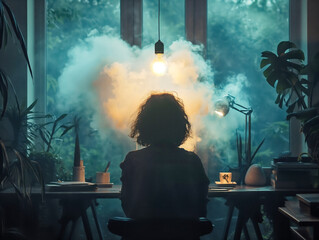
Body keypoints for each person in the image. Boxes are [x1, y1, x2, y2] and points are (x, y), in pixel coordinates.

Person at [120, 93, 210, 220]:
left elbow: (129, 207)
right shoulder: (192, 161)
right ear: (179, 124)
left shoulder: (133, 160)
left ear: (145, 125)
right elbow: (201, 209)